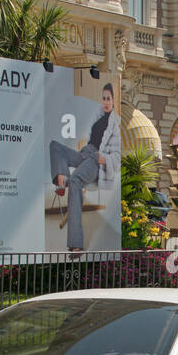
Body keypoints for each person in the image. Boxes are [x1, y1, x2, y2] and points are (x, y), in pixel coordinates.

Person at [50, 83, 121, 251]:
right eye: (103, 98)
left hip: (96, 159)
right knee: (55, 146)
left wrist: (105, 159)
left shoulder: (115, 127)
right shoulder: (98, 118)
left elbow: (117, 157)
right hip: (85, 153)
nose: (105, 102)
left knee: (75, 182)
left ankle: (76, 243)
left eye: (108, 99)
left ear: (113, 100)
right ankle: (61, 181)